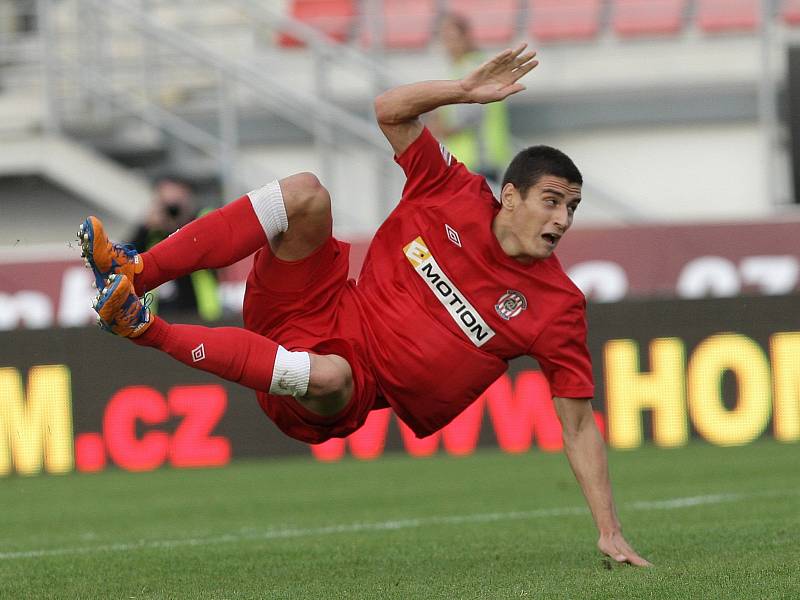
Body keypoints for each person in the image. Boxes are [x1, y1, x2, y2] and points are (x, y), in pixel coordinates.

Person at [78, 44, 651, 567]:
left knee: (329, 373)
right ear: (510, 195)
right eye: (551, 202)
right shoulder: (453, 190)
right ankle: (135, 270)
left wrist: (608, 528)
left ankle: (142, 327)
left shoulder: (556, 306)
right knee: (305, 192)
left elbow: (577, 425)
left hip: (344, 385)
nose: (562, 220)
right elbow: (390, 110)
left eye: (571, 208)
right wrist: (463, 91)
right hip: (316, 304)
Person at [428, 13, 513, 184]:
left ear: (467, 37)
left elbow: (470, 114)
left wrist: (441, 128)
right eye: (444, 39)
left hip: (478, 159)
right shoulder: (463, 68)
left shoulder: (472, 68)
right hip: (475, 159)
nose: (448, 45)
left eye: (452, 38)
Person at [128, 175, 222, 322]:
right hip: (159, 317)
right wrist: (145, 227)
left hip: (200, 312)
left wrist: (182, 224)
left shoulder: (203, 219)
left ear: (188, 197)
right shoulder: (153, 231)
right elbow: (127, 261)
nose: (172, 209)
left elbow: (211, 250)